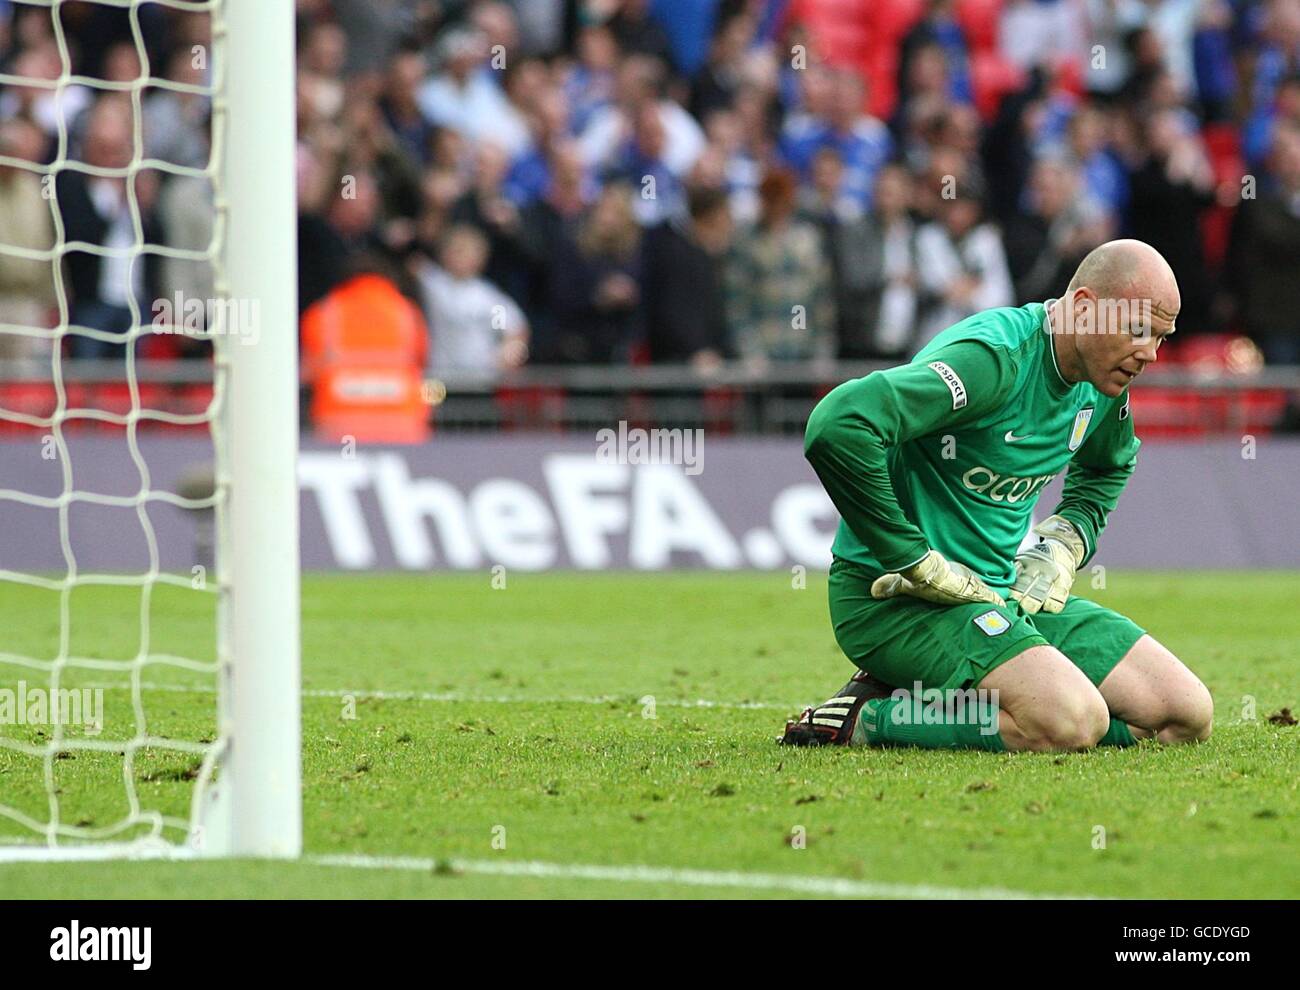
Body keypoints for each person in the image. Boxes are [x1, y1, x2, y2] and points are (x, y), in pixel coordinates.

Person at [780, 239, 1213, 753]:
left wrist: (1065, 541)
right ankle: (865, 717)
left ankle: (945, 698)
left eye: (1161, 338)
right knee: (1071, 722)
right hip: (894, 601)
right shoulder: (993, 361)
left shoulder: (1101, 380)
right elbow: (840, 424)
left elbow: (1108, 466)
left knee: (1184, 715)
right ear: (1083, 308)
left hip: (997, 597)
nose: (1150, 354)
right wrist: (912, 558)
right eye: (1138, 330)